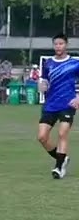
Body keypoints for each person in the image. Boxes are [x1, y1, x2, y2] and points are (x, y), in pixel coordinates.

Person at [37, 33, 78, 179]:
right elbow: (45, 81)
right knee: (42, 137)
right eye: (56, 44)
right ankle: (62, 158)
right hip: (50, 104)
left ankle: (59, 168)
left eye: (61, 44)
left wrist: (78, 98)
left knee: (62, 133)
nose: (58, 46)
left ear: (66, 45)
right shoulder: (48, 63)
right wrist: (42, 85)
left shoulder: (74, 63)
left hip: (68, 104)